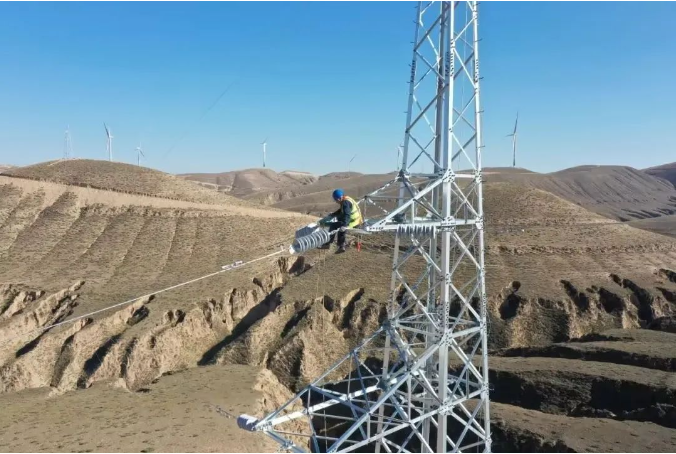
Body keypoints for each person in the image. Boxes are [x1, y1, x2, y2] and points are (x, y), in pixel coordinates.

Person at [318, 189, 363, 253]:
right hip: (355, 220)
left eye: (336, 200)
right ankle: (335, 245)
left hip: (353, 221)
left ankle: (338, 246)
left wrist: (344, 225)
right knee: (338, 222)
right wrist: (333, 214)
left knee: (337, 226)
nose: (336, 201)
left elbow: (347, 214)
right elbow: (341, 210)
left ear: (340, 198)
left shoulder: (345, 202)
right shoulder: (346, 199)